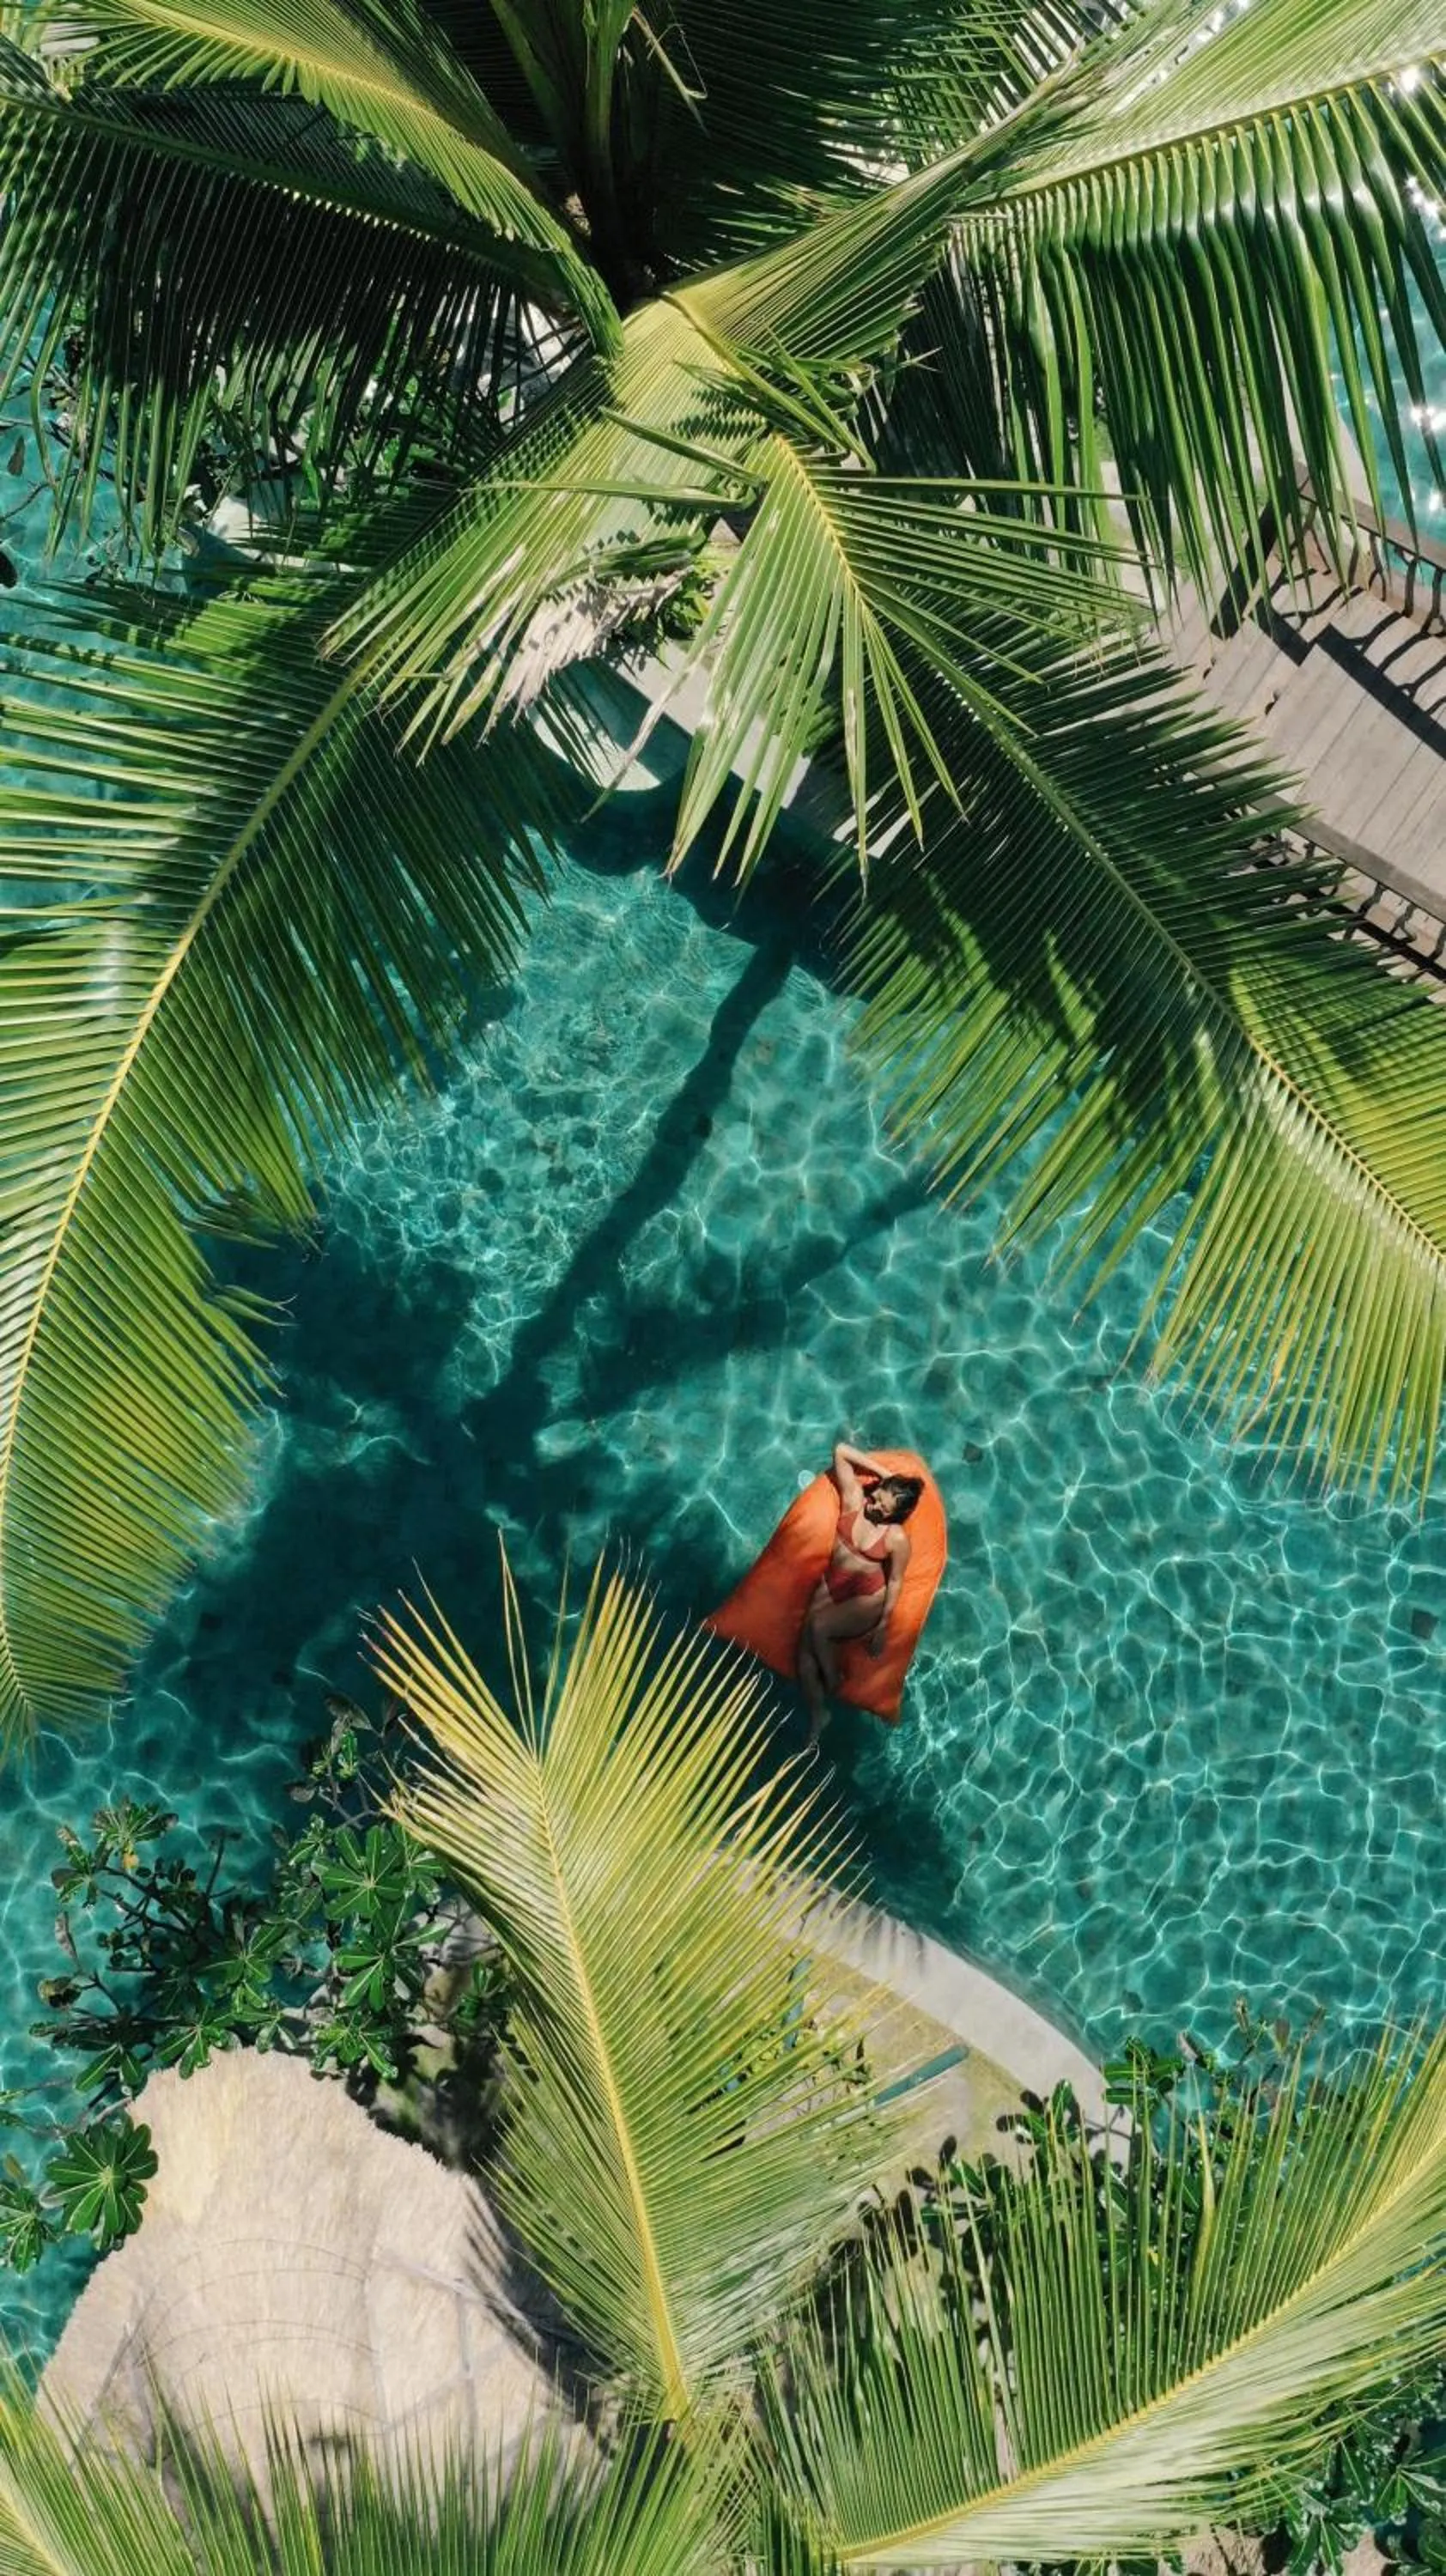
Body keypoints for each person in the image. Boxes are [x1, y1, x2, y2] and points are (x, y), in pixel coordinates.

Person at [799, 1441, 923, 1744]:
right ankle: (819, 1715)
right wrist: (884, 1476)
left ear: (895, 1516)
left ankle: (832, 1681)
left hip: (865, 1598)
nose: (876, 1507)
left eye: (885, 1509)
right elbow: (840, 1450)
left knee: (818, 1626)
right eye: (880, 1498)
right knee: (802, 1655)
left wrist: (883, 1627)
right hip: (833, 1584)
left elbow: (895, 1582)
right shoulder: (855, 1499)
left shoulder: (895, 1539)